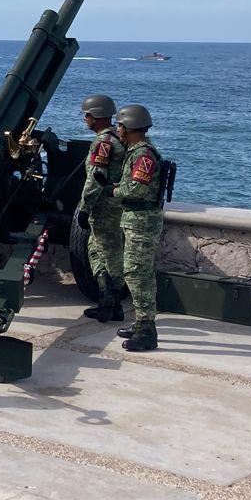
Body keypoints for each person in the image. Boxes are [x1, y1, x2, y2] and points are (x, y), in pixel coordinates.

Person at [114, 104, 165, 353]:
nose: (118, 130)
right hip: (138, 220)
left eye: (120, 125)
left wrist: (113, 190)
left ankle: (147, 329)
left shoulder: (143, 155)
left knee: (137, 273)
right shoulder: (137, 151)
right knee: (138, 273)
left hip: (141, 222)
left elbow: (137, 189)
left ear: (130, 127)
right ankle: (141, 322)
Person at [77, 94, 128, 323]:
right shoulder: (119, 138)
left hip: (105, 207)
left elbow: (95, 179)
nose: (85, 119)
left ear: (95, 117)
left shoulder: (103, 143)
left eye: (87, 115)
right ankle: (111, 302)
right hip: (116, 205)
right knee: (103, 252)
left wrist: (84, 208)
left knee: (104, 254)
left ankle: (110, 302)